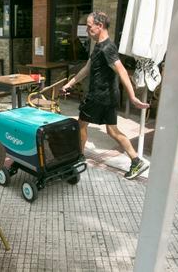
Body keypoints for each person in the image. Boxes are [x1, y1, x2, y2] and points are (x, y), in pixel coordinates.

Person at [62, 11, 150, 179]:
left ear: (99, 26)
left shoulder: (107, 48)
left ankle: (78, 158)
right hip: (108, 97)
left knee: (81, 125)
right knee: (113, 131)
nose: (87, 31)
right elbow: (87, 69)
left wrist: (132, 97)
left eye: (89, 27)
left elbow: (122, 71)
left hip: (98, 97)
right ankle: (136, 161)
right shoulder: (100, 45)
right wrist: (69, 83)